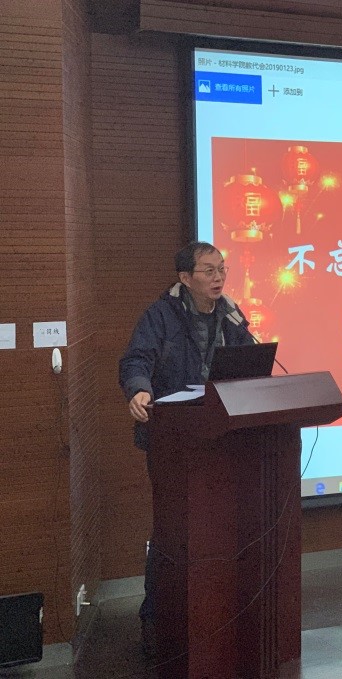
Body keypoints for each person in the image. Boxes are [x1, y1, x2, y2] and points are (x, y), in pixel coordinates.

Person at [118, 241, 254, 655]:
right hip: (172, 440)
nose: (218, 277)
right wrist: (139, 390)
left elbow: (250, 363)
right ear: (185, 278)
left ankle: (220, 613)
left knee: (224, 525)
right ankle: (158, 618)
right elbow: (136, 361)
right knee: (172, 529)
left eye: (222, 269)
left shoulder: (231, 316)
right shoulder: (160, 316)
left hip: (222, 438)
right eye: (209, 271)